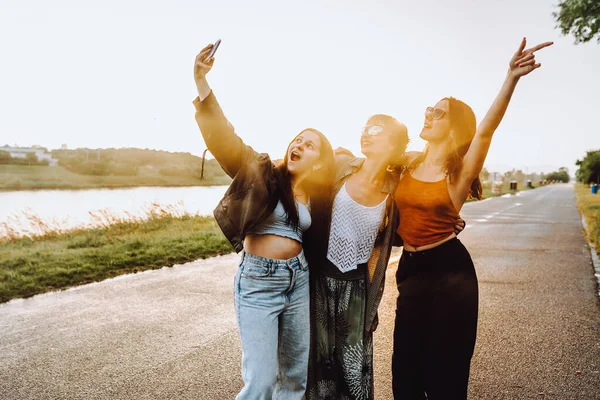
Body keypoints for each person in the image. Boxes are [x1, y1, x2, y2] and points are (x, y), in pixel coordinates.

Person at [391, 38, 553, 399]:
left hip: (449, 271)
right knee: (405, 373)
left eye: (438, 113)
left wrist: (510, 78)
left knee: (444, 375)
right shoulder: (406, 163)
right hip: (410, 270)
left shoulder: (458, 172)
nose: (428, 115)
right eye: (428, 109)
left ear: (453, 127)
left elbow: (485, 130)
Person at [193, 43, 335, 400]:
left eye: (311, 144)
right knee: (260, 381)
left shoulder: (317, 196)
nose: (300, 144)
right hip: (258, 281)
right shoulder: (262, 172)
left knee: (293, 379)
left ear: (319, 162)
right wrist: (201, 83)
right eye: (298, 139)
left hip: (298, 280)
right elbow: (225, 140)